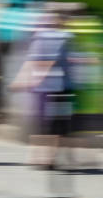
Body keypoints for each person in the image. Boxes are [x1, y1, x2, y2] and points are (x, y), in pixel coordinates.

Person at [9, 9, 75, 170]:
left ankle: (39, 157)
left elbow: (31, 62)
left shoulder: (41, 37)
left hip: (45, 88)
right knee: (56, 124)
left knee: (44, 123)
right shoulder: (64, 37)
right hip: (60, 87)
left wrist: (23, 81)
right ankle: (48, 158)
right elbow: (41, 62)